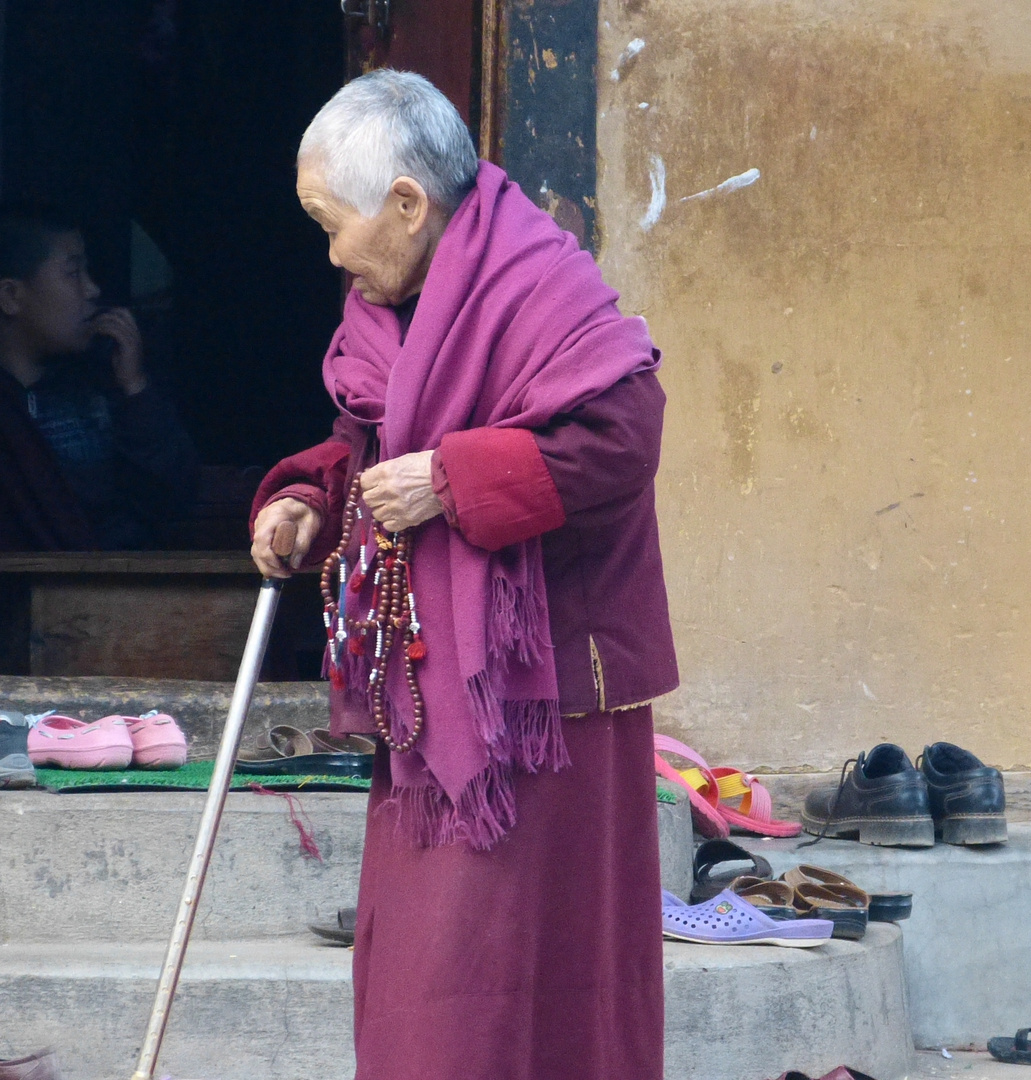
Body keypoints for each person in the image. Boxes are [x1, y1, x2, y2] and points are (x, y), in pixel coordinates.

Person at [249, 70, 675, 1079]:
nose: (330, 253)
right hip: (432, 684)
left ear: (405, 204)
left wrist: (452, 480)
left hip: (541, 695)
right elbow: (365, 436)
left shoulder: (538, 284)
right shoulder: (390, 305)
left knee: (543, 962)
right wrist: (307, 498)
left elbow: (621, 439)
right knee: (424, 967)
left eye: (331, 222)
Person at [0, 202, 197, 550]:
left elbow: (171, 501)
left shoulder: (100, 381)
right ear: (11, 296)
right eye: (73, 273)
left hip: (111, 588)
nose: (92, 290)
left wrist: (136, 391)